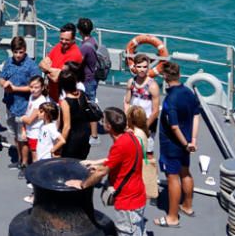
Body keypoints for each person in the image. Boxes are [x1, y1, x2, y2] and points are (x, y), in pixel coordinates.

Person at [67, 108, 147, 236]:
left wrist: (82, 184)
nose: (101, 122)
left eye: (103, 120)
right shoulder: (130, 137)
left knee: (127, 232)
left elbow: (101, 173)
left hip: (128, 201)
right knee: (138, 230)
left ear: (109, 126)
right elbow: (118, 160)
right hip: (137, 195)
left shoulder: (119, 146)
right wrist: (95, 163)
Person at [156, 62, 201, 228]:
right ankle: (187, 207)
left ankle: (172, 217)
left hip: (172, 146)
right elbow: (196, 116)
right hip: (186, 143)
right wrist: (192, 141)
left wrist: (185, 143)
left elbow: (174, 126)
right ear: (179, 75)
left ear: (165, 77)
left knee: (172, 178)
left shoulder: (170, 100)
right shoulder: (189, 93)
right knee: (185, 172)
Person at [0, 36, 41, 173]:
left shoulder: (31, 66)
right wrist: (4, 84)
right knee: (15, 135)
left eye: (20, 52)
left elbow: (35, 86)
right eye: (15, 52)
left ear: (25, 50)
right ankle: (19, 159)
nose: (18, 55)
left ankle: (24, 163)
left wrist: (15, 89)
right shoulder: (8, 62)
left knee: (23, 138)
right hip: (10, 105)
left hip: (24, 108)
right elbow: (2, 77)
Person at [21, 101, 64, 203]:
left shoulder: (50, 128)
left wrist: (53, 149)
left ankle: (37, 197)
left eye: (40, 112)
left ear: (47, 114)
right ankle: (40, 196)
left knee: (42, 179)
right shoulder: (43, 126)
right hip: (41, 157)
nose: (38, 114)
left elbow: (62, 140)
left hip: (46, 159)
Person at [124, 53, 160, 155]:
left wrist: (145, 126)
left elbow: (155, 111)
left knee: (148, 152)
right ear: (134, 67)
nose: (142, 69)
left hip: (148, 122)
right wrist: (128, 121)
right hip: (133, 121)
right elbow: (127, 102)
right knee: (132, 151)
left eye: (144, 67)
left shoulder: (152, 86)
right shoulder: (131, 82)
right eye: (139, 67)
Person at [39, 23, 83, 102]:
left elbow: (57, 78)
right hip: (52, 95)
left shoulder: (75, 54)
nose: (63, 42)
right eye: (61, 39)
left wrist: (46, 70)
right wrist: (51, 71)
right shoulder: (58, 46)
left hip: (64, 100)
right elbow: (41, 64)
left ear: (73, 39)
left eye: (67, 40)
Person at [57, 68, 91, 160]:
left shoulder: (65, 102)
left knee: (69, 167)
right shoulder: (82, 94)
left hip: (72, 139)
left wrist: (59, 144)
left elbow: (66, 126)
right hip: (84, 135)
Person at [77, 18, 101, 144]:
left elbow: (78, 63)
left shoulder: (84, 47)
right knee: (89, 103)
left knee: (90, 105)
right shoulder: (93, 41)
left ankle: (94, 135)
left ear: (79, 30)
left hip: (88, 79)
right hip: (93, 77)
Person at [18, 75, 49, 175]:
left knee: (36, 156)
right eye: (31, 87)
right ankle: (27, 167)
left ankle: (36, 176)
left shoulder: (41, 101)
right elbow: (28, 113)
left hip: (36, 133)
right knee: (31, 151)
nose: (33, 90)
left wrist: (21, 118)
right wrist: (23, 129)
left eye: (36, 87)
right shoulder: (32, 97)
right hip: (30, 131)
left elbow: (30, 120)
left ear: (42, 87)